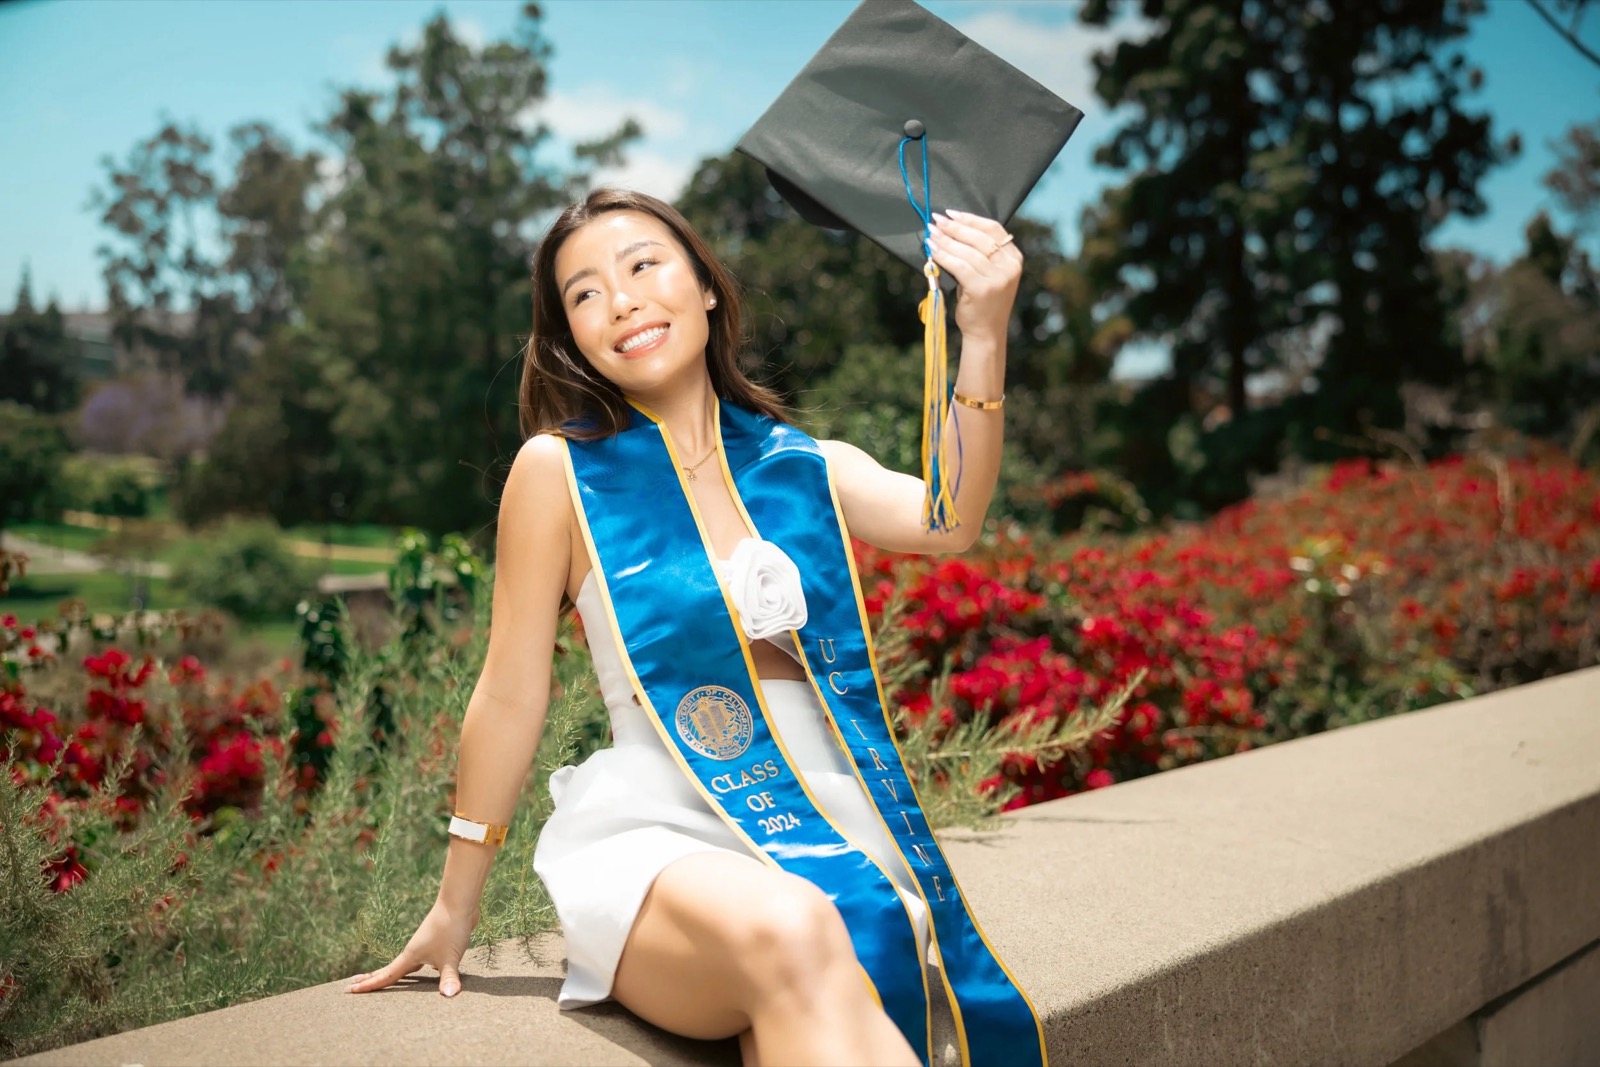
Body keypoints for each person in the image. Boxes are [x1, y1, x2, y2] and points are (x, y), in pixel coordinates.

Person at [346, 186, 1025, 1066]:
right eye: (584, 293)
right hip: (664, 828)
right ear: (571, 337)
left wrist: (983, 330)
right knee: (795, 925)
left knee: (818, 962)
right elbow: (511, 690)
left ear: (706, 284)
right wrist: (453, 904)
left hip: (834, 811)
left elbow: (950, 519)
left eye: (642, 266)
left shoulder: (803, 465)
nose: (619, 299)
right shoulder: (560, 472)